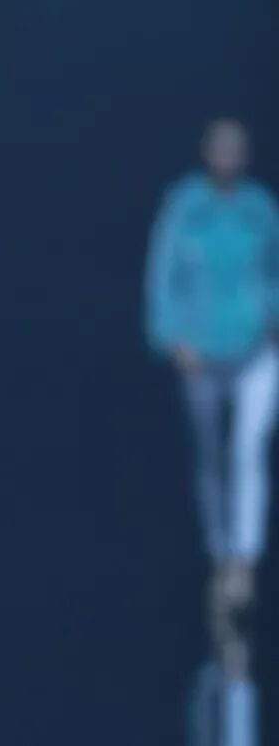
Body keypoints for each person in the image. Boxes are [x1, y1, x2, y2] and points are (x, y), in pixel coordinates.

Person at [144, 118, 279, 631]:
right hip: (200, 353)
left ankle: (244, 558)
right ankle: (220, 552)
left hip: (255, 351)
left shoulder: (260, 207)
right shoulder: (184, 207)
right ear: (205, 152)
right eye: (220, 147)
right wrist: (171, 336)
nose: (228, 156)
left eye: (235, 148)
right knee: (212, 455)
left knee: (249, 448)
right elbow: (162, 276)